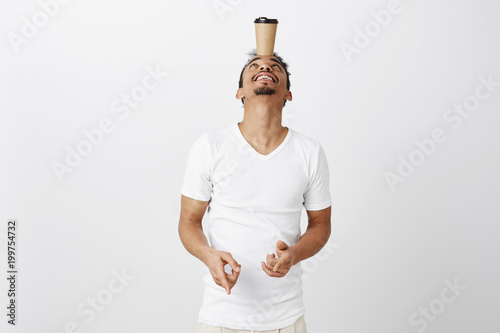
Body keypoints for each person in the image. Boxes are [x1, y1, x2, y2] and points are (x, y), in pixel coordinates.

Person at [179, 50, 332, 332]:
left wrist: (294, 254)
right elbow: (189, 222)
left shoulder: (309, 151)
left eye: (275, 66)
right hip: (220, 317)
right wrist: (208, 254)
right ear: (240, 93)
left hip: (286, 318)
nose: (265, 67)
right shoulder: (210, 146)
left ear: (288, 94)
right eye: (255, 65)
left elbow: (320, 225)